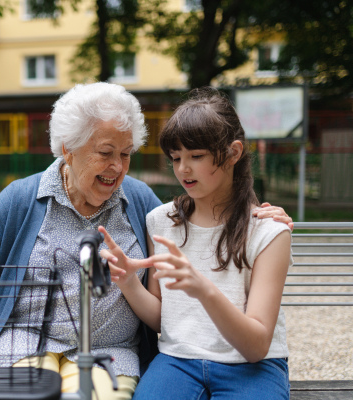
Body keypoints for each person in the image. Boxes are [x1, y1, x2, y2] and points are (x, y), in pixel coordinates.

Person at [0, 83, 292, 400]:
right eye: (105, 153)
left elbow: (206, 206)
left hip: (110, 353)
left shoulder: (140, 202)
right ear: (66, 149)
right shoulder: (23, 199)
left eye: (126, 154)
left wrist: (256, 211)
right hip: (21, 345)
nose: (118, 168)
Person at [100, 87, 292, 399]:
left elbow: (256, 347)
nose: (183, 169)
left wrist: (203, 289)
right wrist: (128, 282)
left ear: (234, 153)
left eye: (196, 156)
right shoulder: (161, 221)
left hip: (251, 366)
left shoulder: (269, 232)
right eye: (176, 158)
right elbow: (164, 320)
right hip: (177, 361)